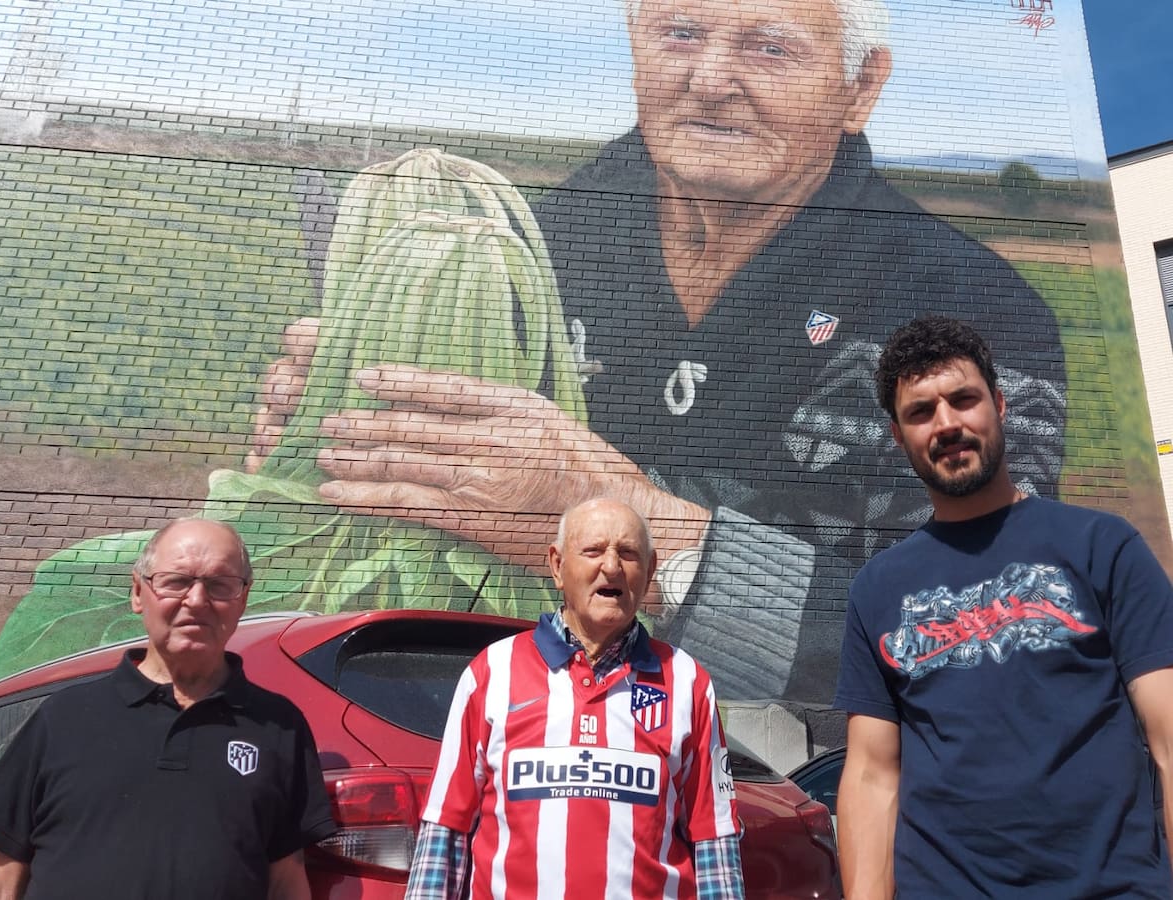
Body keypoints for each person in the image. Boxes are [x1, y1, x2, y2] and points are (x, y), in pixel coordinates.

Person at [249, 0, 1064, 704]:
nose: (709, 79)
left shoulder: (972, 311)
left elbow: (979, 620)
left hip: (800, 790)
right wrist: (341, 433)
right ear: (634, 46)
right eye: (679, 33)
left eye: (768, 46)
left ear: (862, 86)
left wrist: (627, 518)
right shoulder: (536, 249)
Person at [833, 316, 1173, 899]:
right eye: (921, 412)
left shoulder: (1101, 545)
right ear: (898, 436)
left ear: (999, 404)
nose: (946, 424)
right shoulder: (877, 589)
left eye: (963, 400)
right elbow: (870, 776)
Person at [0, 519, 336, 900]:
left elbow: (286, 883)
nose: (196, 600)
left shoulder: (278, 727)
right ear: (137, 592)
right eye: (177, 581)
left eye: (219, 585)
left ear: (242, 600)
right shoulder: (63, 717)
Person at [404, 498, 743, 899]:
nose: (612, 566)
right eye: (594, 551)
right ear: (557, 566)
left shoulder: (687, 681)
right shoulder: (492, 672)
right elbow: (446, 830)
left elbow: (714, 841)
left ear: (650, 571)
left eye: (629, 553)